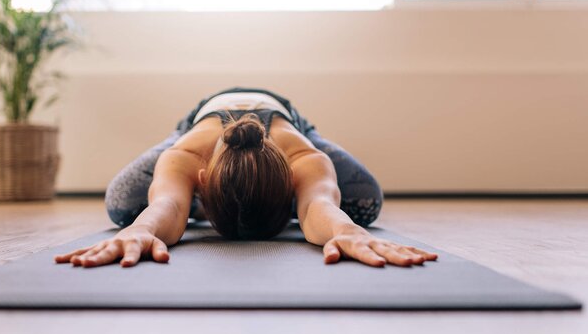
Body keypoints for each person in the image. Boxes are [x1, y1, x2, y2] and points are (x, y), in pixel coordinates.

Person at [55, 87, 437, 268]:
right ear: (200, 181)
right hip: (202, 120)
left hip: (287, 118)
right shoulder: (187, 154)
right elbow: (167, 205)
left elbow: (317, 205)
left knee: (364, 202)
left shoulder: (302, 155)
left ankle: (252, 196)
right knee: (123, 205)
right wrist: (141, 229)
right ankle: (226, 198)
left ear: (292, 181)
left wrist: (346, 230)